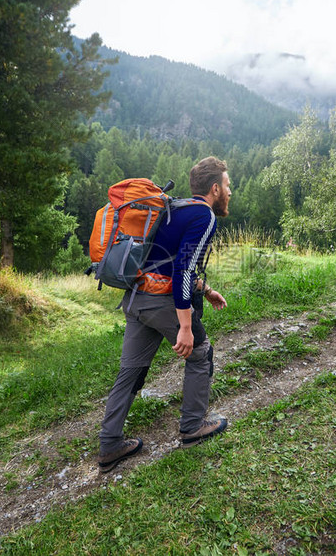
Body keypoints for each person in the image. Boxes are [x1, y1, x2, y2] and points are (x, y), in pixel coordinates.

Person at [97, 156, 232, 472]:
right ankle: (192, 427)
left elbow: (164, 261)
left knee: (131, 371)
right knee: (200, 353)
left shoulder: (176, 209)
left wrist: (207, 290)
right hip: (160, 302)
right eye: (227, 185)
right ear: (215, 188)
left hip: (135, 299)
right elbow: (182, 268)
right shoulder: (203, 215)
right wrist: (185, 325)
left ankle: (109, 445)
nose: (229, 191)